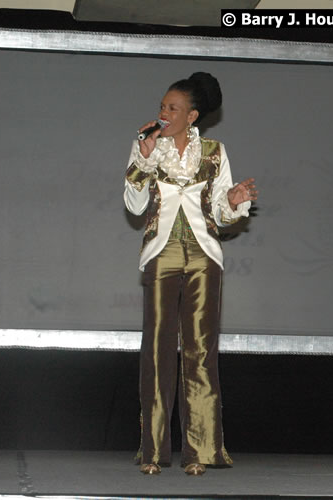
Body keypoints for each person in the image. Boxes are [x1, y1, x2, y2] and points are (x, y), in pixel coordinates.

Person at [123, 72, 258, 476]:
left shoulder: (215, 151)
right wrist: (143, 159)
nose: (163, 113)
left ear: (192, 116)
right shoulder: (145, 146)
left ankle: (200, 450)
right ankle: (153, 451)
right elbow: (133, 205)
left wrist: (234, 201)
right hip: (161, 253)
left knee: (201, 352)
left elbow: (220, 209)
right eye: (162, 106)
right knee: (158, 350)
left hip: (203, 254)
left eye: (172, 108)